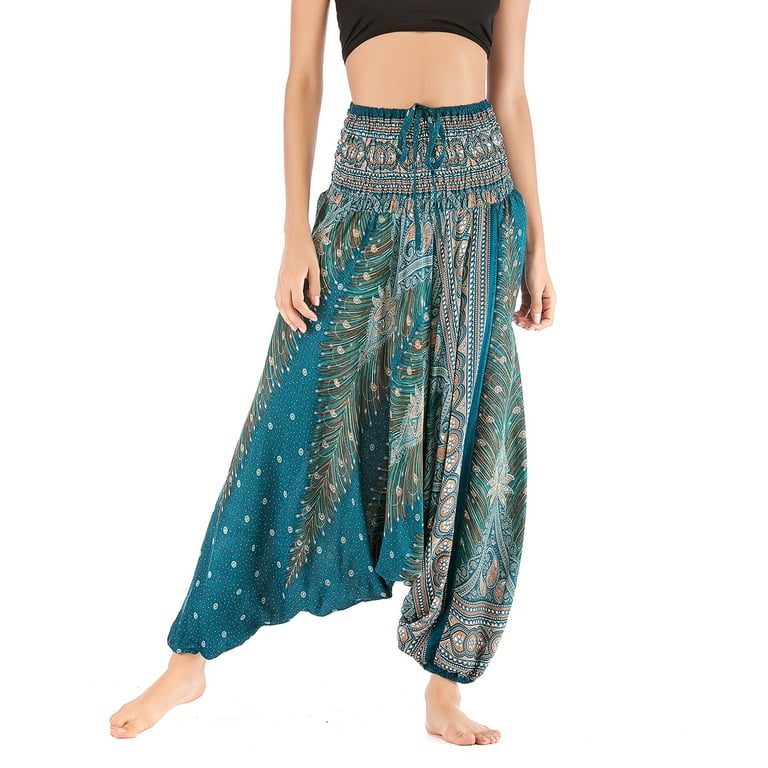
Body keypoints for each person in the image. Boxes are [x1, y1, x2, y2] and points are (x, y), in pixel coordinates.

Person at [110, 0, 556, 747]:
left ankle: (444, 686)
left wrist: (540, 243)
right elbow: (304, 80)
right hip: (364, 191)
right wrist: (295, 230)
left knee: (466, 438)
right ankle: (189, 659)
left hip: (478, 201)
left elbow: (510, 91)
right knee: (284, 418)